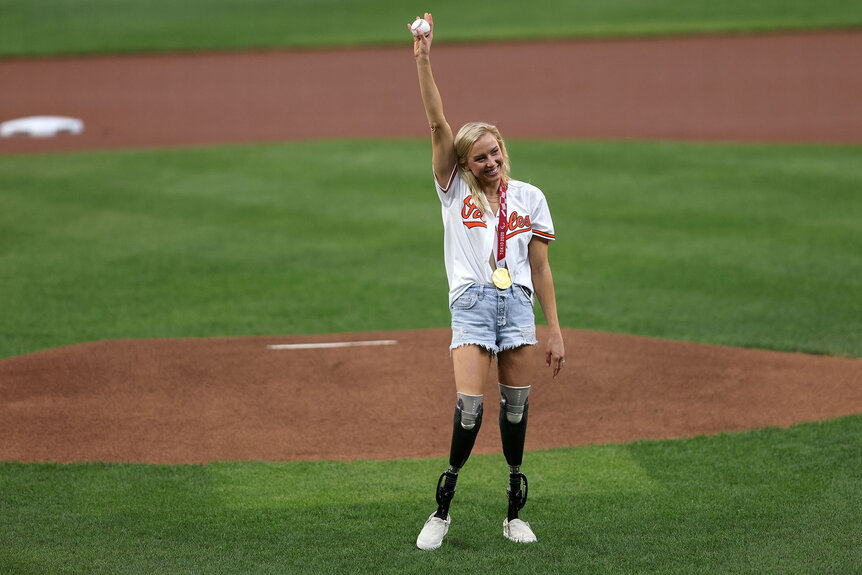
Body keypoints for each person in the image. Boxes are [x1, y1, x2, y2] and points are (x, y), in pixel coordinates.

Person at [410, 13, 566, 550]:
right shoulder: (453, 190)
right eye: (480, 157)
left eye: (496, 152)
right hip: (473, 304)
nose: (492, 161)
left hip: (518, 305)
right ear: (465, 164)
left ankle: (513, 511)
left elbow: (541, 267)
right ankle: (442, 507)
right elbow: (437, 124)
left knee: (516, 410)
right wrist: (424, 58)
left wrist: (556, 330)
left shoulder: (530, 196)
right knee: (471, 408)